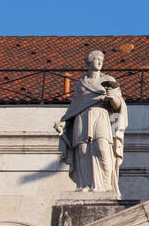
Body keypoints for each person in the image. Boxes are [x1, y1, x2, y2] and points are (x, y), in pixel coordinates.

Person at [54, 50, 127, 192]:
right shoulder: (81, 83)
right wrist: (64, 121)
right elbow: (75, 105)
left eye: (101, 59)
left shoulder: (109, 80)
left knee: (102, 148)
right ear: (89, 61)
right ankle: (84, 185)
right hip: (82, 117)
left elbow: (119, 106)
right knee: (82, 151)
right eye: (96, 59)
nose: (100, 62)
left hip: (101, 115)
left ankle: (106, 187)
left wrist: (112, 98)